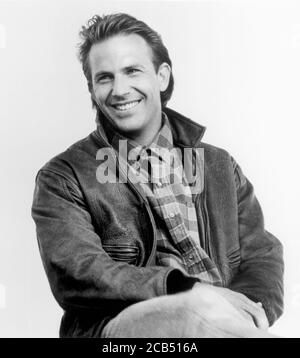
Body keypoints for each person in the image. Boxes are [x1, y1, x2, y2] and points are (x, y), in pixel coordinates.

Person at [31, 13, 284, 338]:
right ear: (92, 89)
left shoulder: (219, 165)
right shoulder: (63, 176)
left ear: (162, 76)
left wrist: (247, 306)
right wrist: (186, 290)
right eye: (104, 78)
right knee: (196, 314)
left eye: (132, 70)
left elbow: (262, 253)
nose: (119, 89)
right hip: (119, 330)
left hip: (221, 323)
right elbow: (77, 274)